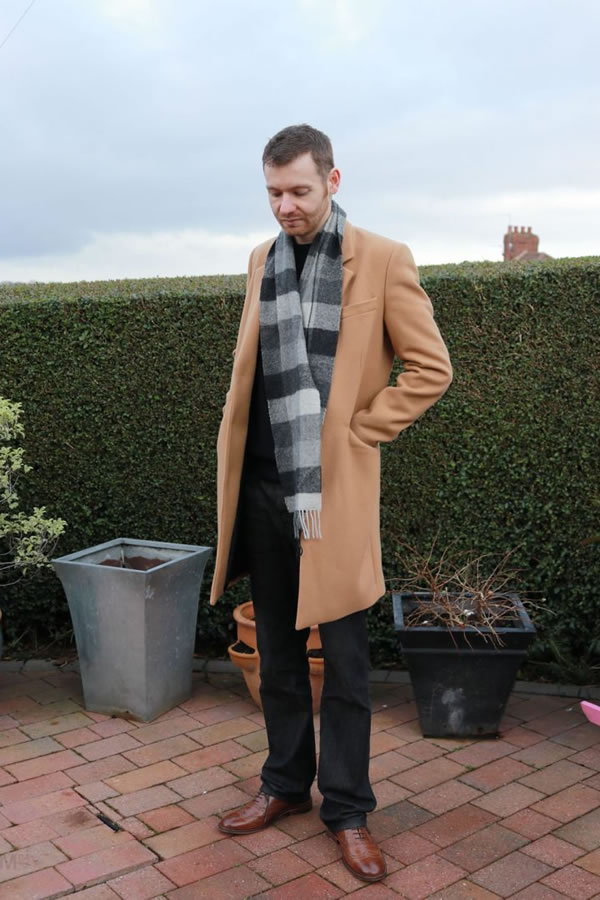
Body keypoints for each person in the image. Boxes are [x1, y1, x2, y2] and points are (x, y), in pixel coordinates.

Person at [209, 124, 452, 883]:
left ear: (333, 180)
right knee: (278, 653)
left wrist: (357, 431)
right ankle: (284, 783)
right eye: (274, 192)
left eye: (299, 191)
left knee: (344, 663)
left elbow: (430, 367)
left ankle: (347, 808)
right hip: (261, 488)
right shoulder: (261, 261)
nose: (286, 206)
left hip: (331, 498)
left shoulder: (381, 258)